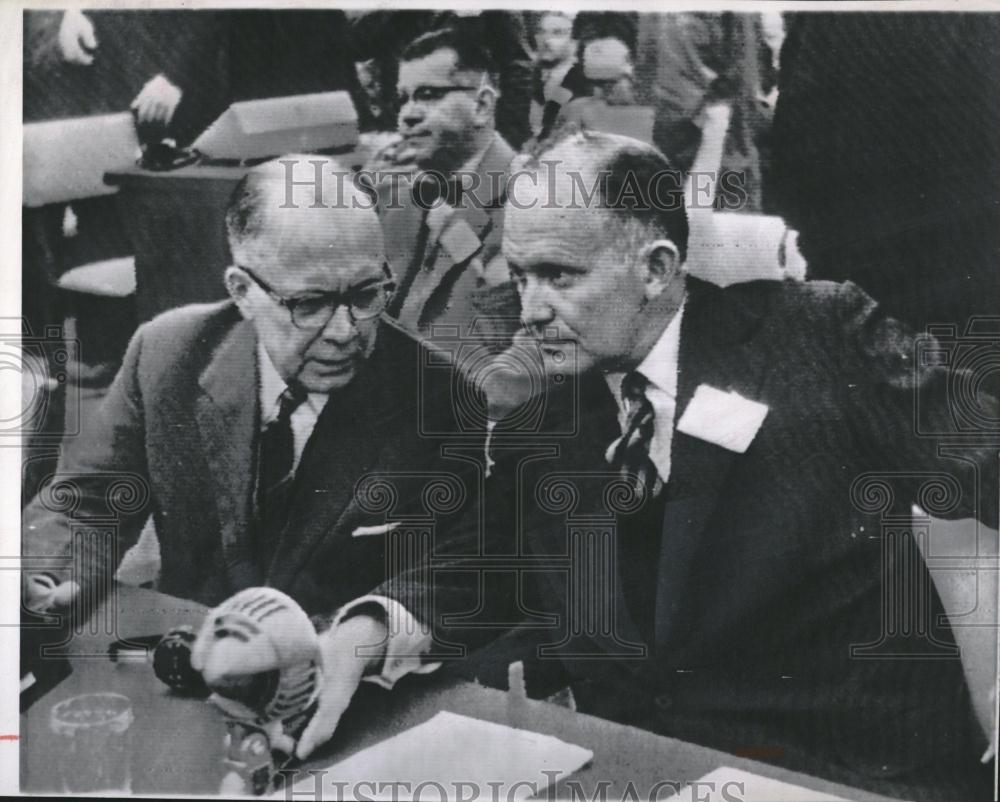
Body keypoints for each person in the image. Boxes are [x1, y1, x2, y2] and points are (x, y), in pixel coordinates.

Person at [288, 131, 997, 801]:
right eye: (520, 276)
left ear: (656, 269)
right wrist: (365, 633)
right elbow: (484, 564)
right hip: (644, 768)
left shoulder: (818, 335)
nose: (530, 310)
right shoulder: (547, 414)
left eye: (559, 275)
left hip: (844, 770)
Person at [22, 155, 483, 618]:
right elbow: (88, 500)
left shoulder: (439, 397)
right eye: (310, 303)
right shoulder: (167, 352)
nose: (346, 331)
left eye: (366, 294)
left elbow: (449, 577)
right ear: (242, 291)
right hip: (191, 649)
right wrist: (47, 577)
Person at [379, 28, 521, 353]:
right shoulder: (401, 198)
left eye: (428, 94)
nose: (407, 115)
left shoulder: (529, 207)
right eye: (403, 98)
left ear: (482, 105)